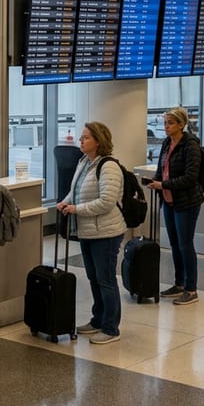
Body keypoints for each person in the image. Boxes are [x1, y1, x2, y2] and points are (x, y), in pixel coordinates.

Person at [55, 122, 126, 339]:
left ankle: (111, 328)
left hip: (106, 232)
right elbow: (75, 190)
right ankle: (98, 319)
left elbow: (106, 202)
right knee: (94, 278)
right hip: (88, 230)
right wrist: (65, 202)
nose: (80, 141)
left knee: (106, 279)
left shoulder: (109, 166)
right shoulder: (84, 162)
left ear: (98, 141)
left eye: (85, 137)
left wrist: (77, 209)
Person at [148, 108, 204, 306]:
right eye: (165, 123)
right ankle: (179, 283)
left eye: (170, 123)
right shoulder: (166, 143)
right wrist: (155, 181)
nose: (166, 126)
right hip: (169, 200)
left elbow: (190, 177)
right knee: (174, 243)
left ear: (181, 124)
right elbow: (161, 169)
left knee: (185, 244)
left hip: (186, 201)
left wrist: (163, 185)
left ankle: (191, 289)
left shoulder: (190, 145)